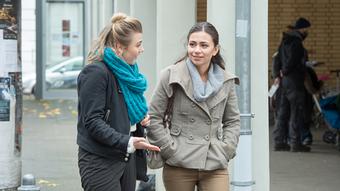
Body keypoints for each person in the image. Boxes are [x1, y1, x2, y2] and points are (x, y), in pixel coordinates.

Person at [147, 22, 241, 191]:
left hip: (214, 160)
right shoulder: (170, 75)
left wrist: (227, 148)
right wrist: (169, 149)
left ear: (215, 49)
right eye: (192, 44)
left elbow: (233, 120)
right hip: (179, 161)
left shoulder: (226, 80)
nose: (196, 50)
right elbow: (153, 117)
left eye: (204, 45)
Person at [76, 13, 160, 191]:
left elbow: (120, 111)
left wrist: (138, 120)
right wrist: (127, 142)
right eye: (138, 45)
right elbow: (92, 121)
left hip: (125, 158)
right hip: (99, 161)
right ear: (119, 47)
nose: (142, 49)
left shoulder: (127, 73)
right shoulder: (96, 73)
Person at [273, 17, 312, 152]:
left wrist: (278, 75)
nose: (307, 32)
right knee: (296, 111)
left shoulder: (284, 41)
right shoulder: (296, 43)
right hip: (294, 81)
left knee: (283, 112)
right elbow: (293, 61)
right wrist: (285, 71)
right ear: (301, 29)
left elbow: (277, 59)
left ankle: (279, 141)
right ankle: (295, 143)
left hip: (284, 82)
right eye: (306, 29)